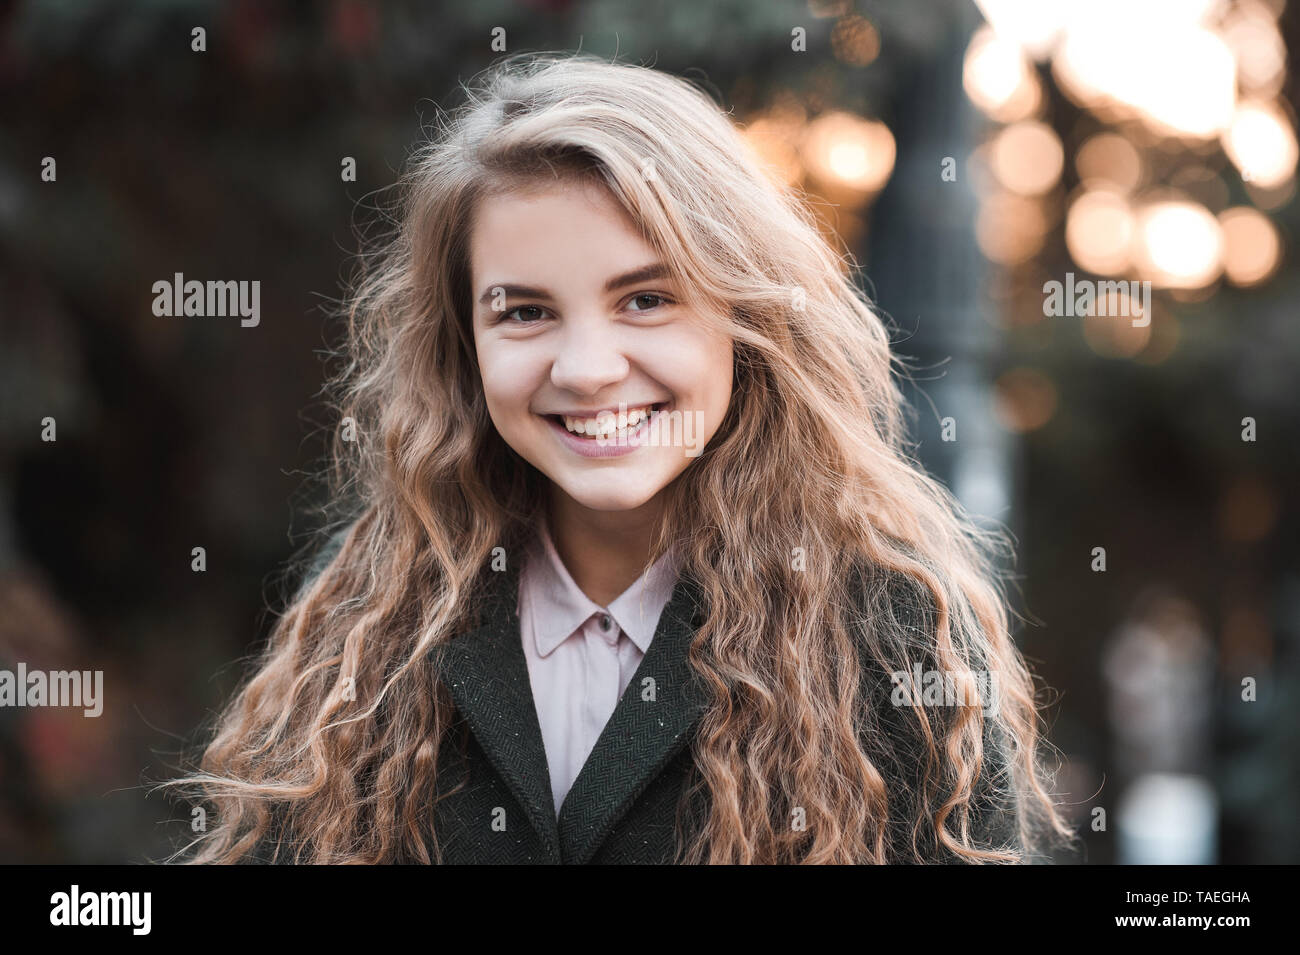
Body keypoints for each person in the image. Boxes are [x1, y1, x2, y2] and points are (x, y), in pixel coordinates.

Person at [163, 51, 1074, 864]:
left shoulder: (893, 633)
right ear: (463, 346)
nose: (589, 370)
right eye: (524, 311)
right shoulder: (372, 607)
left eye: (645, 300)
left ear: (744, 316)